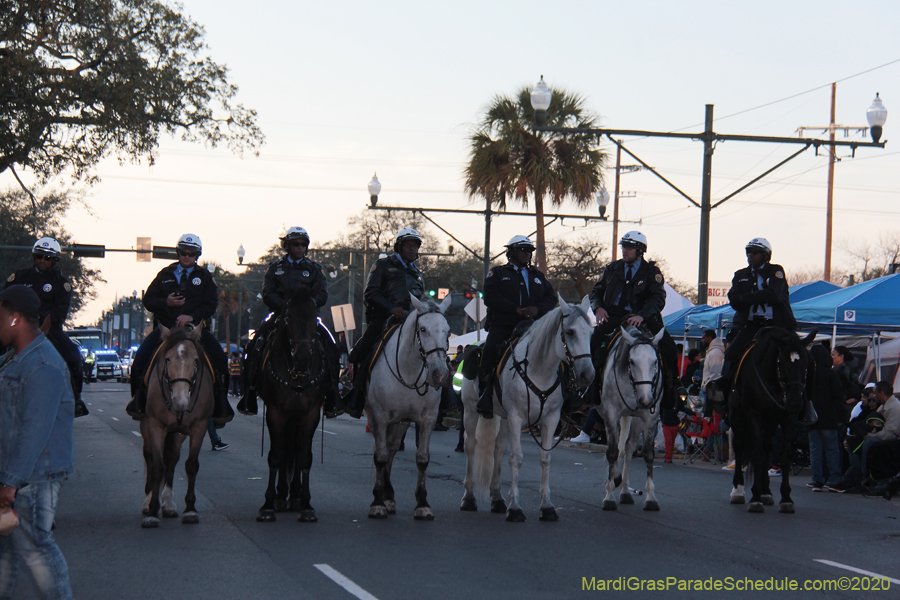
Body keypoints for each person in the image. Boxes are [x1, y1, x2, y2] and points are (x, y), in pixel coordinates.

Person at [0, 286, 74, 600]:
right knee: (7, 548)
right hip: (17, 473)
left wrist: (10, 482)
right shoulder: (13, 360)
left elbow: (35, 431)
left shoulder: (43, 365)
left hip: (34, 477)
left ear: (15, 319)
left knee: (36, 548)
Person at [125, 234, 234, 427]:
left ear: (197, 255)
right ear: (178, 253)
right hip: (166, 331)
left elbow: (211, 304)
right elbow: (148, 300)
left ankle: (221, 405)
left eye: (191, 254)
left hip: (194, 331)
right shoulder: (165, 274)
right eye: (183, 253)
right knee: (140, 360)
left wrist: (192, 316)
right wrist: (165, 303)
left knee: (220, 360)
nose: (187, 257)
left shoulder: (204, 277)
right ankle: (138, 401)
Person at [237, 227, 343, 418]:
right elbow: (267, 291)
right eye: (296, 244)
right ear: (287, 246)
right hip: (280, 315)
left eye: (304, 244)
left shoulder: (315, 269)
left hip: (308, 317)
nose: (300, 247)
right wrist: (284, 306)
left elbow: (323, 294)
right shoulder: (275, 268)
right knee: (254, 345)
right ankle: (249, 393)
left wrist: (308, 304)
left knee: (332, 347)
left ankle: (333, 395)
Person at [707, 238, 797, 414]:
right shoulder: (740, 275)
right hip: (752, 325)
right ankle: (724, 392)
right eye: (748, 252)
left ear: (765, 255)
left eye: (755, 252)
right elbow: (734, 299)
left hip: (777, 326)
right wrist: (756, 296)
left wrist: (746, 297)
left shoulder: (776, 271)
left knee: (798, 355)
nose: (750, 256)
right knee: (732, 354)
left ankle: (804, 401)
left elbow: (775, 295)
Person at [343, 228, 426, 418]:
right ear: (399, 247)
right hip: (385, 318)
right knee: (363, 350)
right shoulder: (382, 265)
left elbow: (420, 300)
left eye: (416, 246)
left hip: (411, 321)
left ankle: (442, 397)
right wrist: (391, 308)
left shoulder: (418, 274)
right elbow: (370, 293)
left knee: (433, 347)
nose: (413, 249)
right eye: (409, 245)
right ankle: (356, 393)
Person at [588, 231, 677, 406]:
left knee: (669, 347)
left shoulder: (652, 272)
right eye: (624, 247)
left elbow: (658, 298)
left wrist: (642, 315)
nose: (625, 251)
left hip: (644, 318)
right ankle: (590, 393)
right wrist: (598, 308)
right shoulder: (612, 269)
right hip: (614, 317)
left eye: (629, 247)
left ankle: (672, 392)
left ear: (640, 250)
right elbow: (596, 291)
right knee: (593, 342)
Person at [4, 237, 88, 418]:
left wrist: (43, 321)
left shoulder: (62, 284)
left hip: (47, 328)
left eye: (47, 258)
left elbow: (60, 314)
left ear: (55, 260)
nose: (42, 260)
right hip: (16, 327)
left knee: (73, 355)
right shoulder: (18, 277)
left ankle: (76, 399)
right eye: (39, 256)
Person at [476, 235, 557, 419]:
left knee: (557, 351)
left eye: (529, 251)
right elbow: (489, 296)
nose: (527, 254)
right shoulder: (497, 274)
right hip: (504, 324)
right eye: (523, 250)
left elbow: (551, 297)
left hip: (533, 326)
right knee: (489, 351)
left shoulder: (538, 276)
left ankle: (564, 397)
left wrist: (537, 309)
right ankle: (486, 394)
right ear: (511, 252)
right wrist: (514, 309)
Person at [831, 380, 900, 493]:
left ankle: (864, 476)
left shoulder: (894, 408)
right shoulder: (882, 406)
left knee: (868, 442)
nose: (873, 396)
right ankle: (852, 476)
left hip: (891, 441)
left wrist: (868, 435)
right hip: (879, 435)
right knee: (852, 440)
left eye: (875, 393)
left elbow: (889, 433)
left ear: (881, 393)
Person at [806, 344, 846, 491]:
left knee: (815, 450)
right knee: (832, 449)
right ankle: (834, 480)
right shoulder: (830, 374)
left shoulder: (808, 374)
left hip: (811, 417)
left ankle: (817, 480)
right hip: (829, 416)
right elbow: (837, 396)